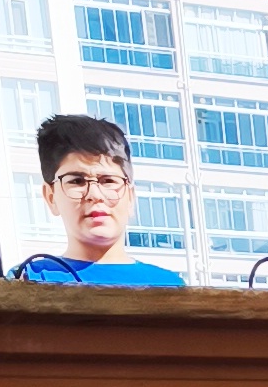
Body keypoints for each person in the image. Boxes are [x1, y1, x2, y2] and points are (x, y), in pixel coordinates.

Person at [11, 117, 184, 287]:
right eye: (77, 181)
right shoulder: (29, 279)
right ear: (51, 197)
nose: (94, 194)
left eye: (108, 181)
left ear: (130, 197)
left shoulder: (169, 286)